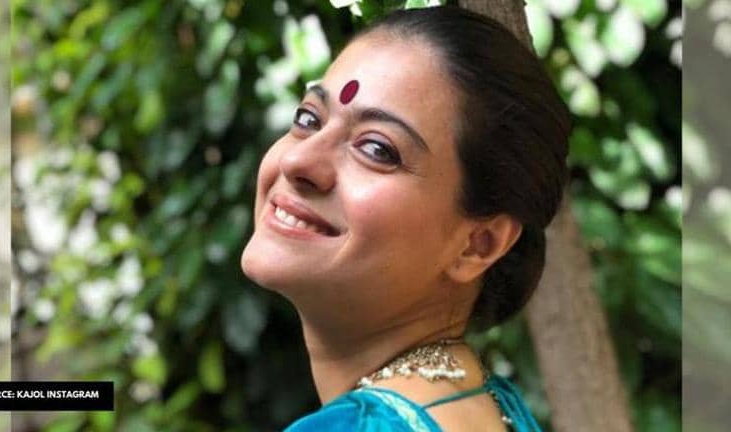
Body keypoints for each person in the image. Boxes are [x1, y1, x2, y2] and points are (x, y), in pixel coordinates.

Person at [241, 5, 570, 431]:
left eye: (377, 149)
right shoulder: (491, 407)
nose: (298, 161)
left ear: (478, 243)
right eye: (308, 119)